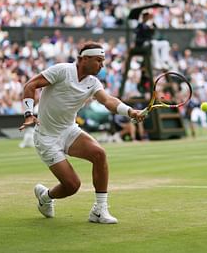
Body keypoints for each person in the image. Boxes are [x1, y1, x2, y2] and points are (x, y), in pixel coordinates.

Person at [20, 41, 145, 224]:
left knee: (99, 154)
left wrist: (130, 112)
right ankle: (45, 197)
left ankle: (99, 210)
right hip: (46, 137)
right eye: (98, 60)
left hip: (69, 131)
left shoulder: (93, 82)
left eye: (103, 61)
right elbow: (30, 86)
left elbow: (108, 100)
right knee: (72, 186)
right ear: (84, 59)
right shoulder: (61, 70)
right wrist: (29, 113)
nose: (102, 65)